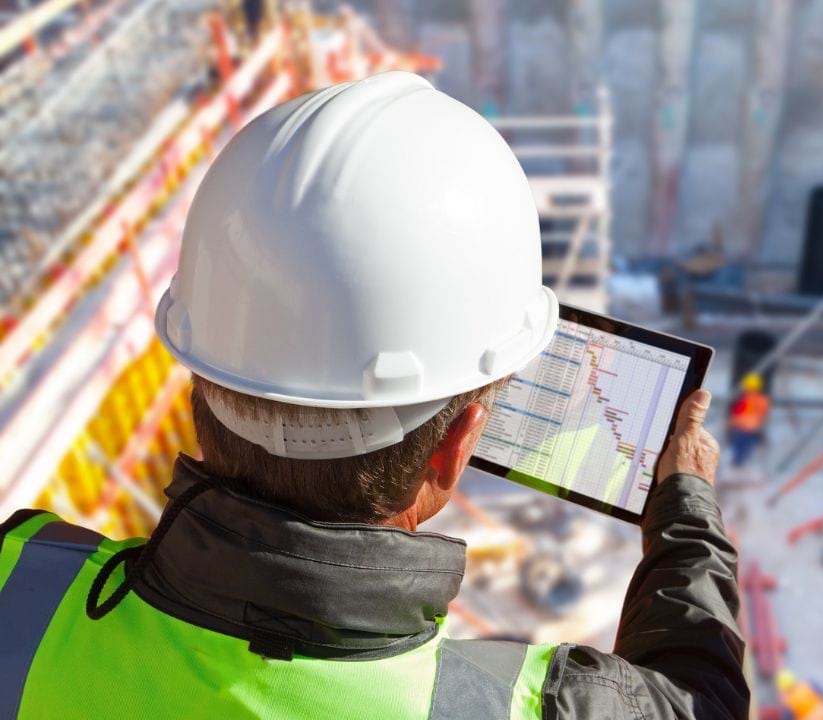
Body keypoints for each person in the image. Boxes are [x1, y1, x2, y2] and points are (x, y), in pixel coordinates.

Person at [0, 72, 747, 719]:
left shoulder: (19, 582)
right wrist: (684, 511)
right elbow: (699, 701)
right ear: (455, 448)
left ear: (202, 376)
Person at [728, 372, 770, 467]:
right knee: (743, 451)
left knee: (741, 451)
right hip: (748, 429)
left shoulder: (746, 400)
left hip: (744, 429)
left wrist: (731, 423)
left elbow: (737, 414)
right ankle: (739, 466)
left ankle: (738, 466)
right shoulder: (761, 400)